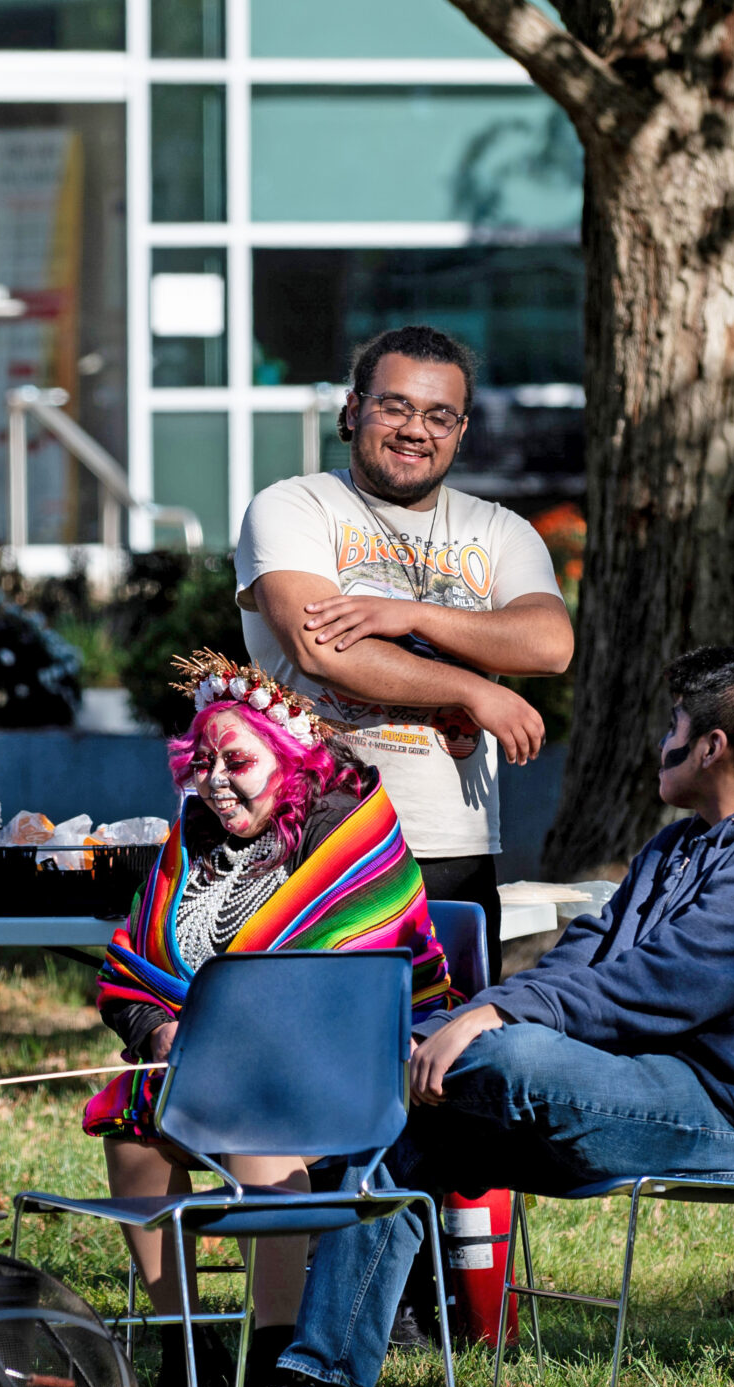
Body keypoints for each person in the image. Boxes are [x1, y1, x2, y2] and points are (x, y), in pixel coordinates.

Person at [264, 648, 734, 1387]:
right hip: (622, 1086)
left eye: (675, 724)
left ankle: (331, 1132)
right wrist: (451, 1026)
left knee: (508, 1055)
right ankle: (319, 1383)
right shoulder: (675, 847)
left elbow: (664, 986)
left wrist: (491, 1017)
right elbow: (578, 959)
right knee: (415, 1122)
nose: (661, 739)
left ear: (714, 746)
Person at [88, 651, 454, 1387]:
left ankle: (278, 1343)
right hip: (200, 1073)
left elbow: (362, 982)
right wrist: (159, 1032)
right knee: (131, 1124)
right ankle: (185, 1342)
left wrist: (243, 1042)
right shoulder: (189, 841)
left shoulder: (351, 836)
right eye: (203, 760)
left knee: (256, 1119)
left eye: (237, 760)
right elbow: (129, 969)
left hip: (333, 1076)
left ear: (289, 756)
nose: (216, 780)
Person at [234, 323, 573, 973]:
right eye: (395, 406)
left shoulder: (499, 530)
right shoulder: (296, 507)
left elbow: (550, 643)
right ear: (354, 407)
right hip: (316, 841)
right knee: (325, 1053)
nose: (417, 429)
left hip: (455, 845)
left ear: (462, 430)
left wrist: (411, 613)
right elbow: (322, 651)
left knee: (446, 1056)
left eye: (440, 415)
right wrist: (472, 687)